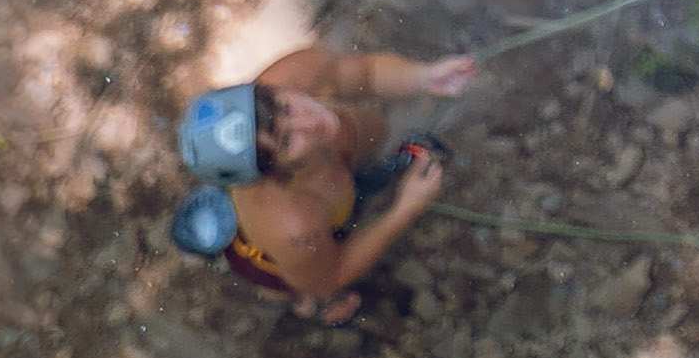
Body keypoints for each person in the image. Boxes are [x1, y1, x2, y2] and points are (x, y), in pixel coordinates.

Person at [169, 42, 482, 323]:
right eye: (287, 141)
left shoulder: (297, 74)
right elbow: (331, 274)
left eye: (284, 107)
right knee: (293, 284)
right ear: (273, 174)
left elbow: (366, 73)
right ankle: (296, 303)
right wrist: (403, 210)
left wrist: (424, 77)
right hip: (276, 259)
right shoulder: (293, 227)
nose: (310, 121)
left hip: (322, 191)